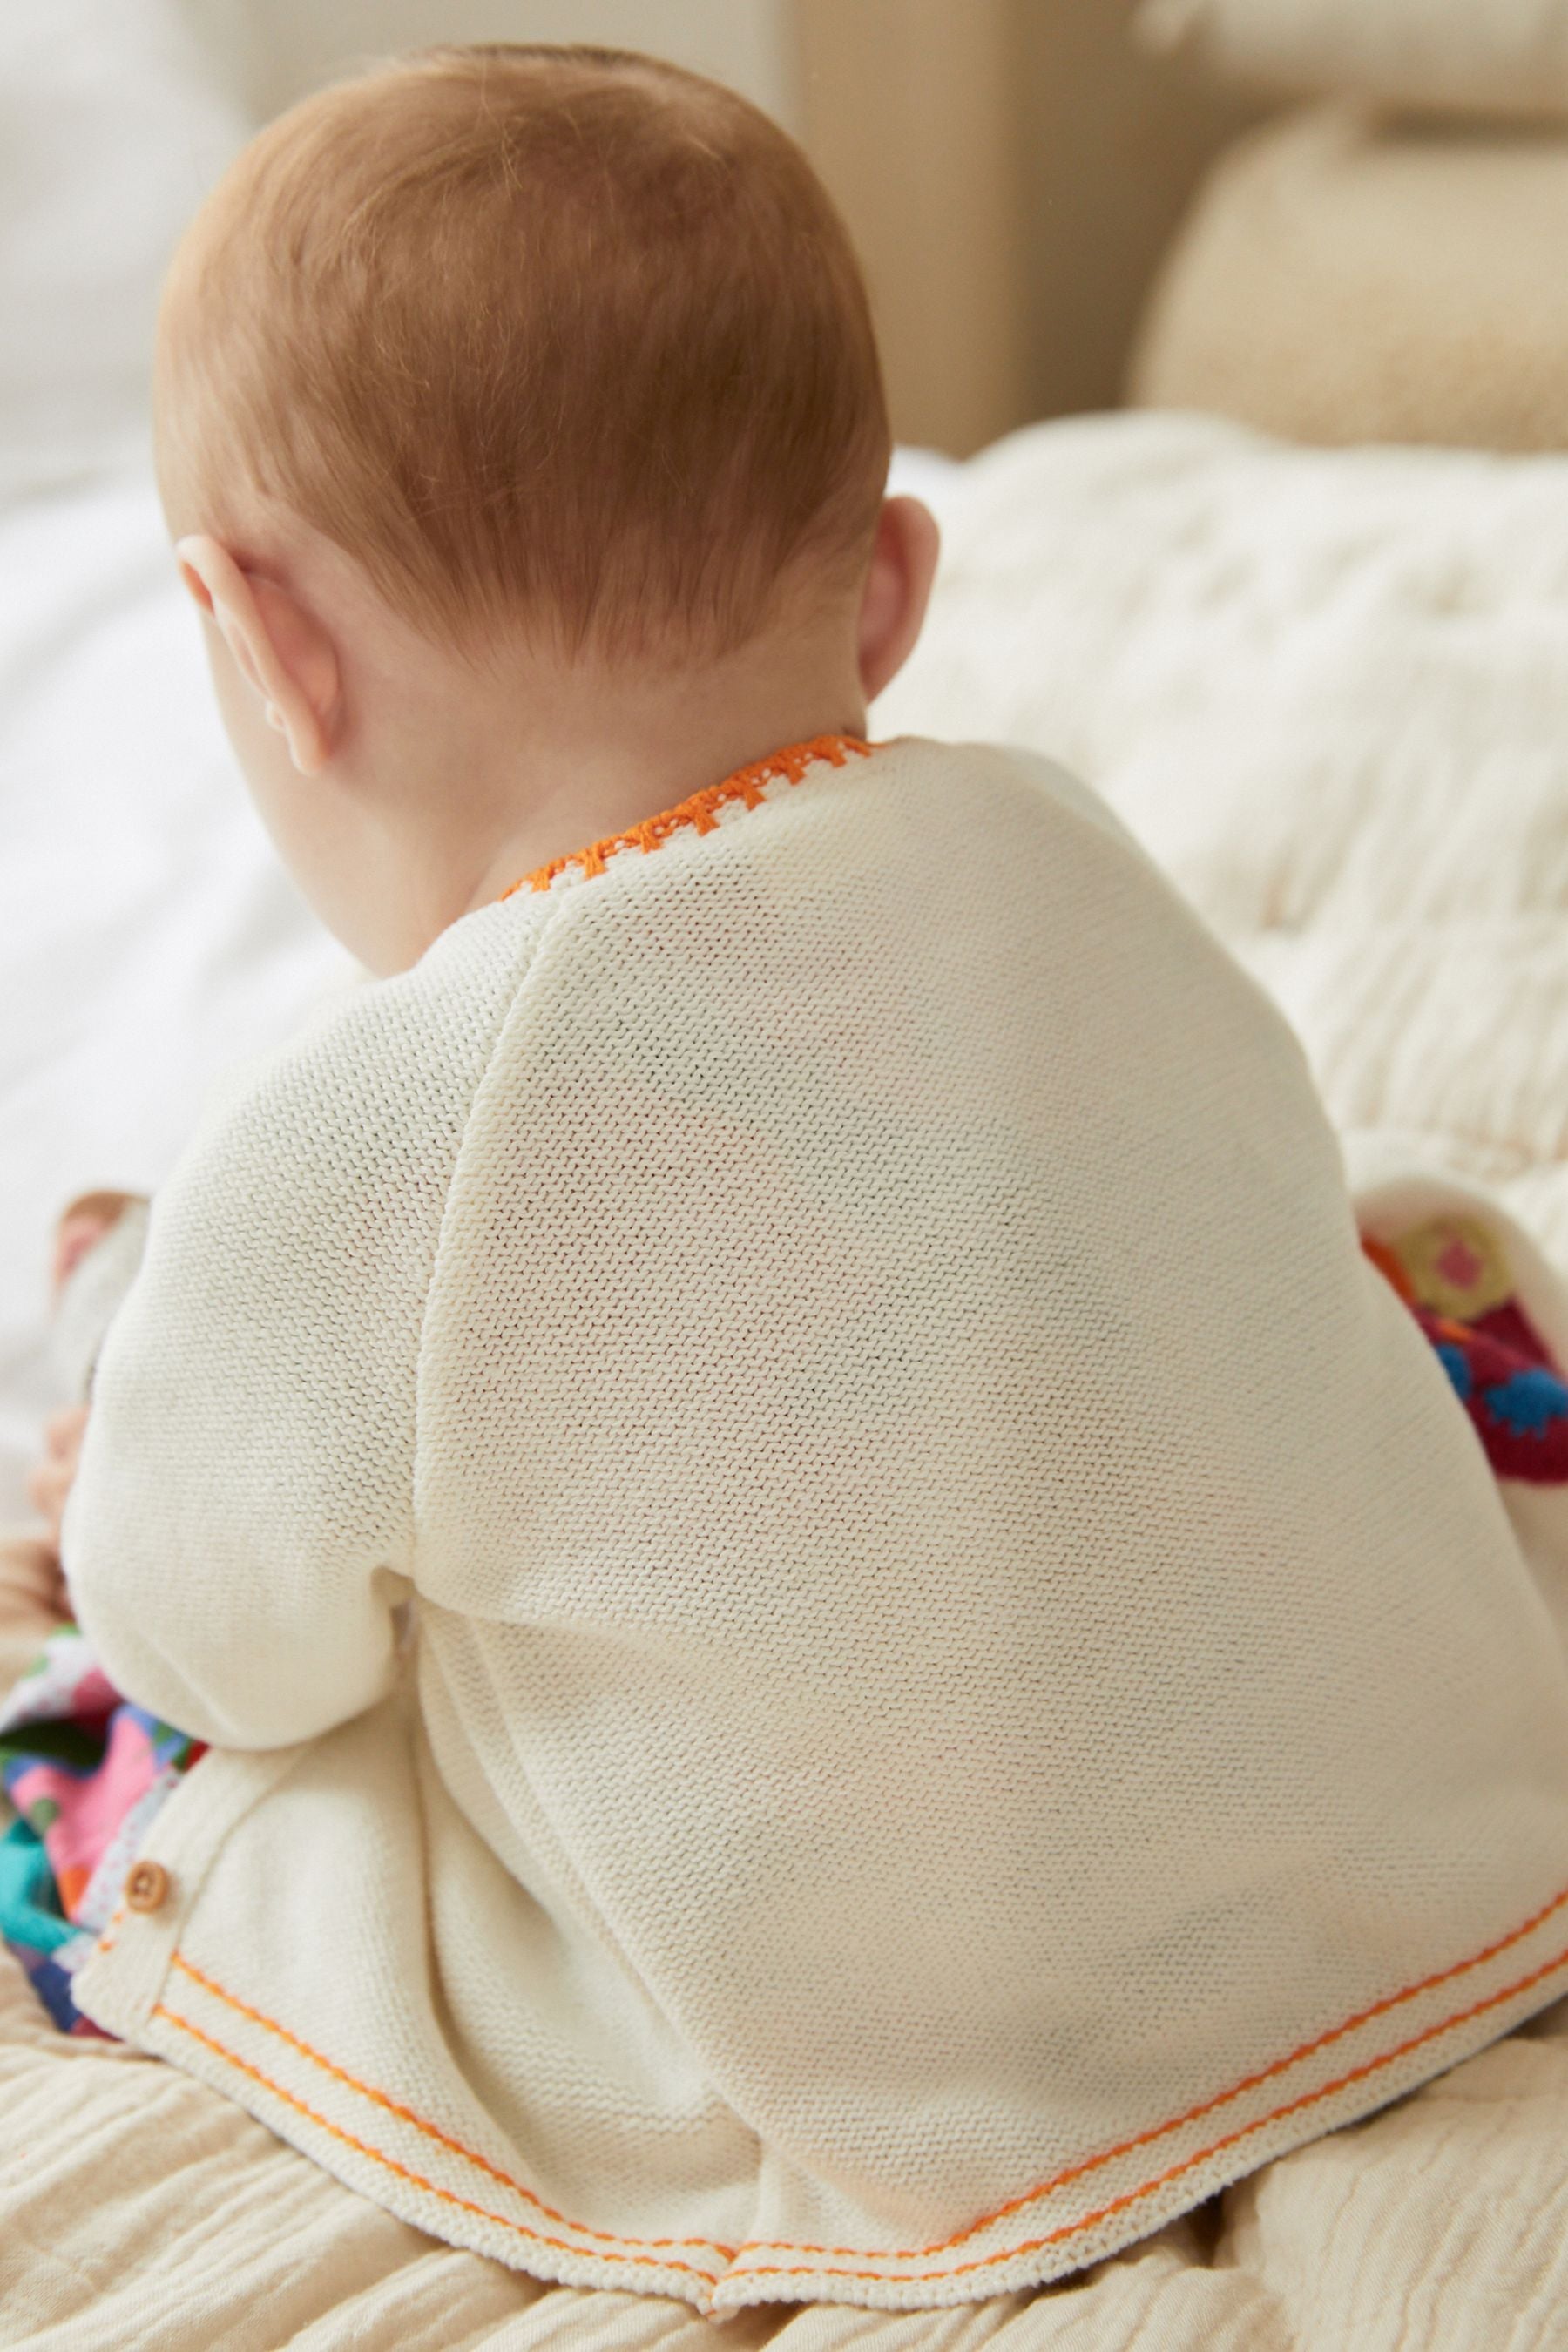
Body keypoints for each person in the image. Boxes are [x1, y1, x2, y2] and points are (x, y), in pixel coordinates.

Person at [14, 42, 1568, 2317]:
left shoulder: (368, 1132)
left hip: (941, 2085)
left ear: (269, 647)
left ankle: (105, 1314)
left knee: (109, 1789)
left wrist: (119, 1513)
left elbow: (215, 1642)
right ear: (893, 582)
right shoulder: (1063, 851)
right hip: (1424, 1879)